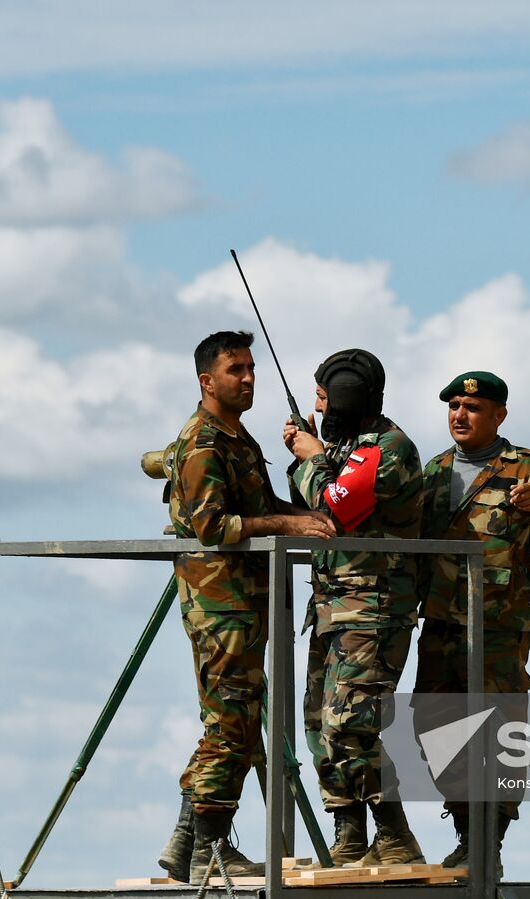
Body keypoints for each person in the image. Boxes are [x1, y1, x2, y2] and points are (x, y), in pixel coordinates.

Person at [158, 330, 336, 883]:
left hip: (244, 600)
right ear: (207, 382)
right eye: (236, 370)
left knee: (235, 718)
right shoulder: (203, 442)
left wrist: (306, 513)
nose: (249, 378)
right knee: (230, 723)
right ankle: (208, 850)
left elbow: (259, 505)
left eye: (251, 368)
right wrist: (287, 523)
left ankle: (189, 842)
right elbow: (213, 526)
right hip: (220, 603)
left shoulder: (237, 438)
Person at [413, 371, 530, 874]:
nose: (459, 415)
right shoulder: (435, 470)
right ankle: (467, 830)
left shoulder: (525, 466)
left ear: (498, 415)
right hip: (442, 623)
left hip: (498, 627)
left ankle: (491, 838)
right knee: (434, 727)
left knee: (501, 734)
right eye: (453, 406)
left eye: (471, 408)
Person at [282, 349, 426, 867]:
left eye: (323, 397)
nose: (318, 407)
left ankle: (394, 834)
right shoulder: (344, 448)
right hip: (332, 606)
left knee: (352, 723)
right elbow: (305, 509)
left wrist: (310, 457)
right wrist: (308, 456)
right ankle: (349, 832)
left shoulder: (387, 448)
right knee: (320, 724)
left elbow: (334, 509)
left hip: (373, 605)